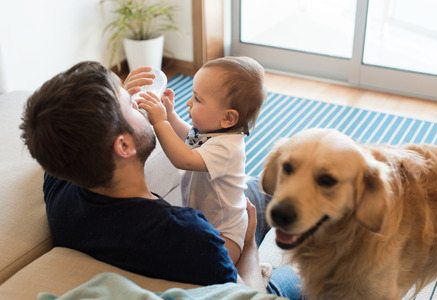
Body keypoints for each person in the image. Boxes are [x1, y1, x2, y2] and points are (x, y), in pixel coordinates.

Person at [19, 61, 301, 299]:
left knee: (256, 187)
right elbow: (246, 295)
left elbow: (57, 131)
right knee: (302, 272)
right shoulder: (192, 237)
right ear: (124, 147)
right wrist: (250, 244)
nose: (139, 100)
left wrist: (112, 105)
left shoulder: (59, 189)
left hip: (219, 199)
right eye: (130, 104)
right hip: (232, 233)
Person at [136, 56, 266, 265]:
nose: (189, 102)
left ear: (228, 118)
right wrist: (170, 115)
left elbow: (184, 159)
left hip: (227, 232)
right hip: (205, 220)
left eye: (197, 99)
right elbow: (188, 137)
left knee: (216, 263)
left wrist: (160, 122)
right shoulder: (212, 133)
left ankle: (250, 271)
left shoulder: (228, 148)